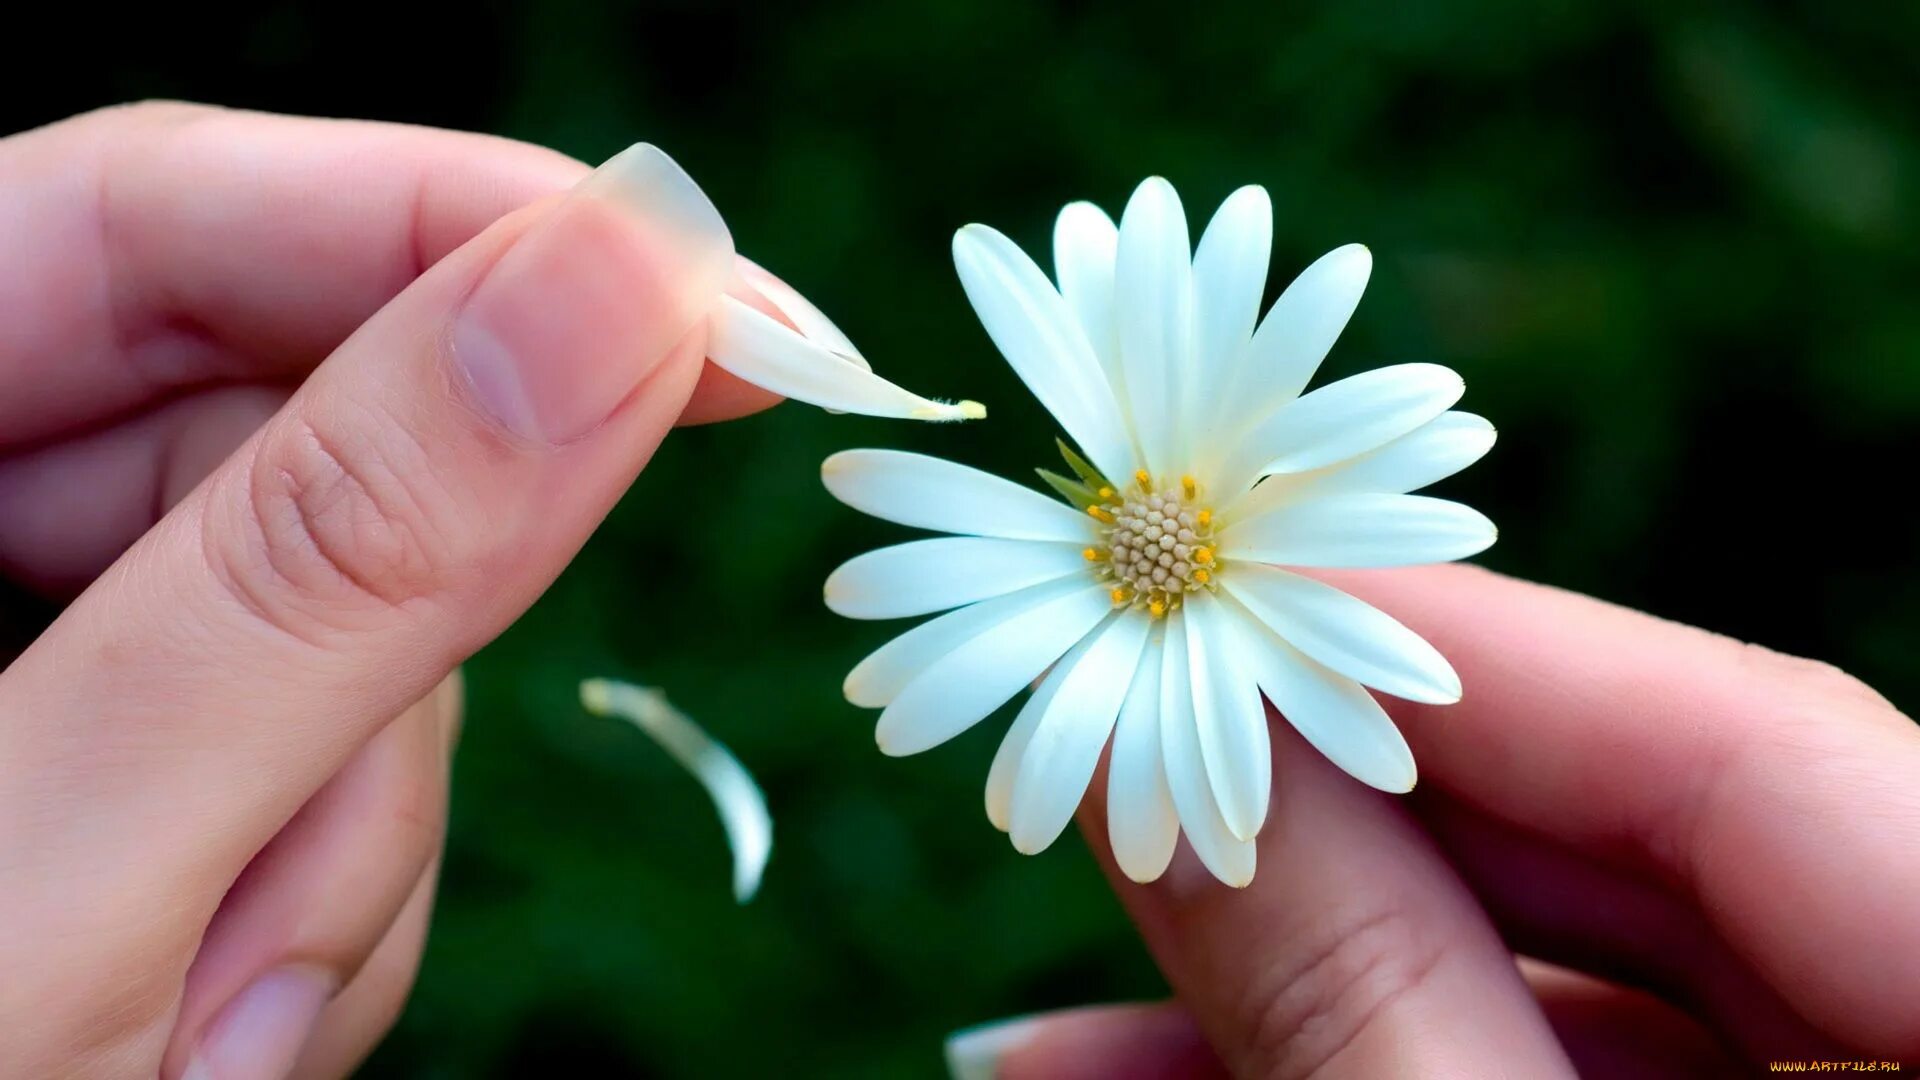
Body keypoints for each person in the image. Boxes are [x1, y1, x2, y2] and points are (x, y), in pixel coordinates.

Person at [0, 103, 1912, 1080]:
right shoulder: (1137, 544)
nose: (1152, 529)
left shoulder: (1186, 551)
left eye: (1158, 522)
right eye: (1141, 518)